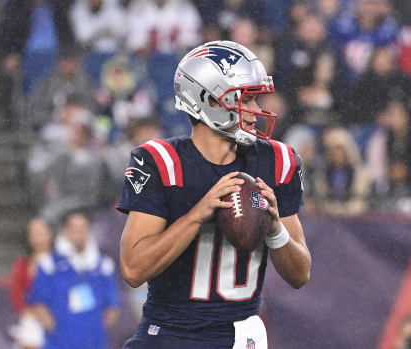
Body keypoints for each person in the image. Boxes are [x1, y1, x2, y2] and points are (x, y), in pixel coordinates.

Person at [117, 41, 311, 348]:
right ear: (208, 99)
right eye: (246, 100)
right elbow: (133, 269)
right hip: (170, 335)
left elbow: (300, 274)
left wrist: (275, 230)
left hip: (240, 337)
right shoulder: (162, 162)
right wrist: (196, 215)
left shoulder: (278, 161)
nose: (256, 112)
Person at [27, 210, 121, 349]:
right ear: (64, 231)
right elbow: (38, 303)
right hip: (59, 343)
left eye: (83, 228)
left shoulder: (103, 265)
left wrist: (95, 331)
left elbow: (113, 306)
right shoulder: (49, 265)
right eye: (75, 229)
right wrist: (56, 330)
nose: (80, 234)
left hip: (94, 343)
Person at [8, 218, 53, 349]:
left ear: (50, 234)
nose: (39, 236)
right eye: (35, 233)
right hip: (32, 319)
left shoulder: (63, 262)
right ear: (29, 238)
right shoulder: (21, 265)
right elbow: (17, 298)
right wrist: (36, 313)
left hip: (58, 318)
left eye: (42, 231)